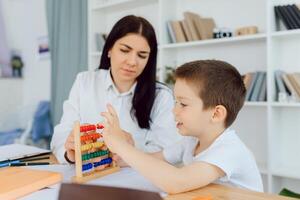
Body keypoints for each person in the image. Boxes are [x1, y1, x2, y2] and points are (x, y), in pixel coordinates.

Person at [101, 60, 263, 194]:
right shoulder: (191, 142)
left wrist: (121, 146)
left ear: (216, 114)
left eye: (183, 104)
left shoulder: (229, 150)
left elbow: (176, 182)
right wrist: (123, 159)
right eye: (175, 102)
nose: (174, 110)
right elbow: (156, 159)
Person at [50, 15, 181, 164]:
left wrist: (130, 148)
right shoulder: (85, 82)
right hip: (89, 176)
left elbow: (168, 152)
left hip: (136, 180)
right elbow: (61, 135)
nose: (132, 62)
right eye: (125, 50)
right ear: (110, 49)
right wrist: (69, 154)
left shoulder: (161, 97)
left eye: (142, 55)